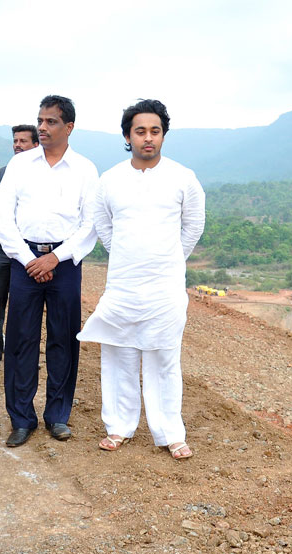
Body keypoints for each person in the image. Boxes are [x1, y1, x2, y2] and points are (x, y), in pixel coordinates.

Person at [79, 100, 204, 459]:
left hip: (165, 285)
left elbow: (193, 225)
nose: (148, 138)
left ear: (163, 135)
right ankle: (119, 426)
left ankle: (170, 433)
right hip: (123, 284)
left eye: (155, 131)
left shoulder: (183, 177)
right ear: (127, 135)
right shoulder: (111, 179)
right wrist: (128, 255)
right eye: (140, 131)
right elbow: (103, 224)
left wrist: (168, 260)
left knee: (164, 357)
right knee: (119, 354)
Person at [0, 95, 97, 447]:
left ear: (68, 127)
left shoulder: (85, 169)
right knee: (21, 341)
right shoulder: (20, 165)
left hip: (65, 264)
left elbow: (90, 224)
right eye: (39, 120)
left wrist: (55, 258)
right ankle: (22, 419)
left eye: (50, 121)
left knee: (63, 339)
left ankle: (57, 416)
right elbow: (4, 219)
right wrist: (28, 260)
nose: (41, 127)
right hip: (24, 261)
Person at [0, 124, 38, 363]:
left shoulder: (42, 174)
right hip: (1, 252)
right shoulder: (3, 172)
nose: (18, 145)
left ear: (36, 145)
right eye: (15, 141)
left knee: (23, 305)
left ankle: (18, 350)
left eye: (23, 141)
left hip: (28, 252)